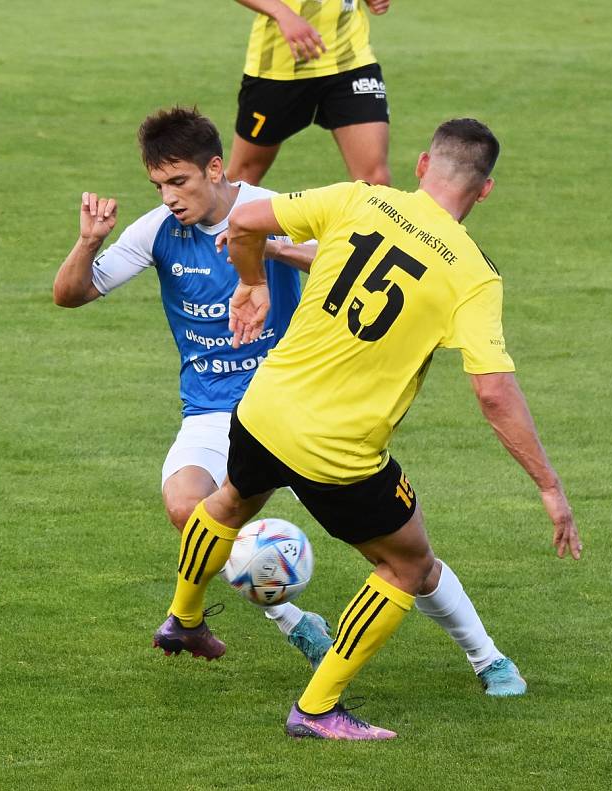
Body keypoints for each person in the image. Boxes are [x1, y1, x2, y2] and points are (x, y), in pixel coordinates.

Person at [160, 118, 582, 740]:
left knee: (230, 499)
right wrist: (548, 485)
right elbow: (494, 392)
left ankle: (183, 618)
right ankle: (318, 708)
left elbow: (245, 221)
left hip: (262, 407)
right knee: (407, 565)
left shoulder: (361, 198)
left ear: (420, 166)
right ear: (485, 191)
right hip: (337, 452)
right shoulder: (473, 274)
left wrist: (252, 283)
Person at [52, 106, 333, 668]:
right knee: (187, 507)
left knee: (391, 544)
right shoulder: (159, 230)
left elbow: (343, 261)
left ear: (215, 168)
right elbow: (70, 295)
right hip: (211, 411)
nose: (169, 197)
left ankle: (485, 655)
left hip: (290, 405)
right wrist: (88, 242)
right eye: (158, 185)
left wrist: (270, 245)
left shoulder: (272, 208)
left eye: (178, 182)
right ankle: (294, 622)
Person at [226, 0, 392, 186]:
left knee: (376, 181)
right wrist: (283, 14)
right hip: (279, 69)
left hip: (351, 61)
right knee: (243, 177)